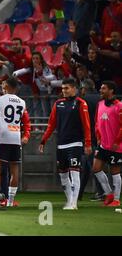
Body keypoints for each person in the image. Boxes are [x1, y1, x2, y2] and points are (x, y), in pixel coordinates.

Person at [39, 78, 92, 210]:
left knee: (74, 173)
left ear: (74, 88)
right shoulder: (58, 103)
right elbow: (51, 124)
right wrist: (43, 140)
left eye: (66, 88)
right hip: (61, 144)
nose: (64, 91)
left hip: (75, 144)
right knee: (63, 175)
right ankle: (69, 201)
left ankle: (74, 203)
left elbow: (86, 126)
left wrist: (88, 143)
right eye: (62, 88)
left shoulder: (81, 103)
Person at [0, 77, 31, 207]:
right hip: (15, 138)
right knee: (14, 169)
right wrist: (25, 136)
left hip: (2, 138)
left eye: (3, 85)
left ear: (6, 86)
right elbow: (26, 122)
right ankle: (10, 201)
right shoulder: (22, 102)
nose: (2, 86)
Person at [93, 81, 122, 207]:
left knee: (115, 172)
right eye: (101, 88)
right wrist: (98, 137)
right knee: (96, 168)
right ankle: (109, 194)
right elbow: (97, 123)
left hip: (116, 146)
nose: (101, 90)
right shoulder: (99, 104)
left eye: (103, 88)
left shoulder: (119, 106)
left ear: (111, 91)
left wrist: (117, 141)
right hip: (103, 144)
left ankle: (116, 199)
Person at [78, 78, 104, 201]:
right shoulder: (101, 99)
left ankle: (102, 192)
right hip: (101, 136)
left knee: (91, 165)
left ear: (83, 89)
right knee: (88, 166)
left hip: (88, 137)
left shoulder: (83, 101)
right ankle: (80, 194)